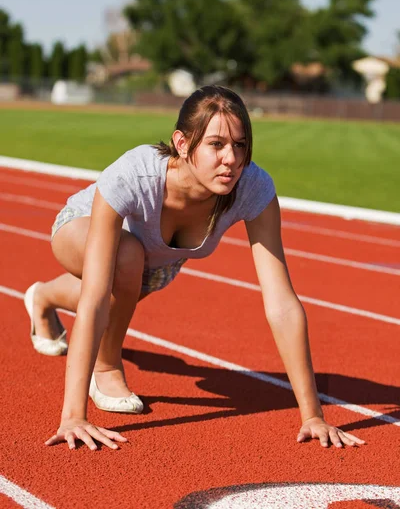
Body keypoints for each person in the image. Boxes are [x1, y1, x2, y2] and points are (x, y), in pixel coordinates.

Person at [24, 85, 365, 451]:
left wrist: (312, 415)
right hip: (82, 226)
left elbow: (281, 302)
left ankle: (43, 296)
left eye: (240, 145)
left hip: (157, 262)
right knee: (121, 266)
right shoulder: (134, 176)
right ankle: (106, 368)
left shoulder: (253, 187)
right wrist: (73, 416)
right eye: (216, 145)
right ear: (183, 144)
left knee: (126, 275)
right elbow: (93, 299)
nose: (231, 159)